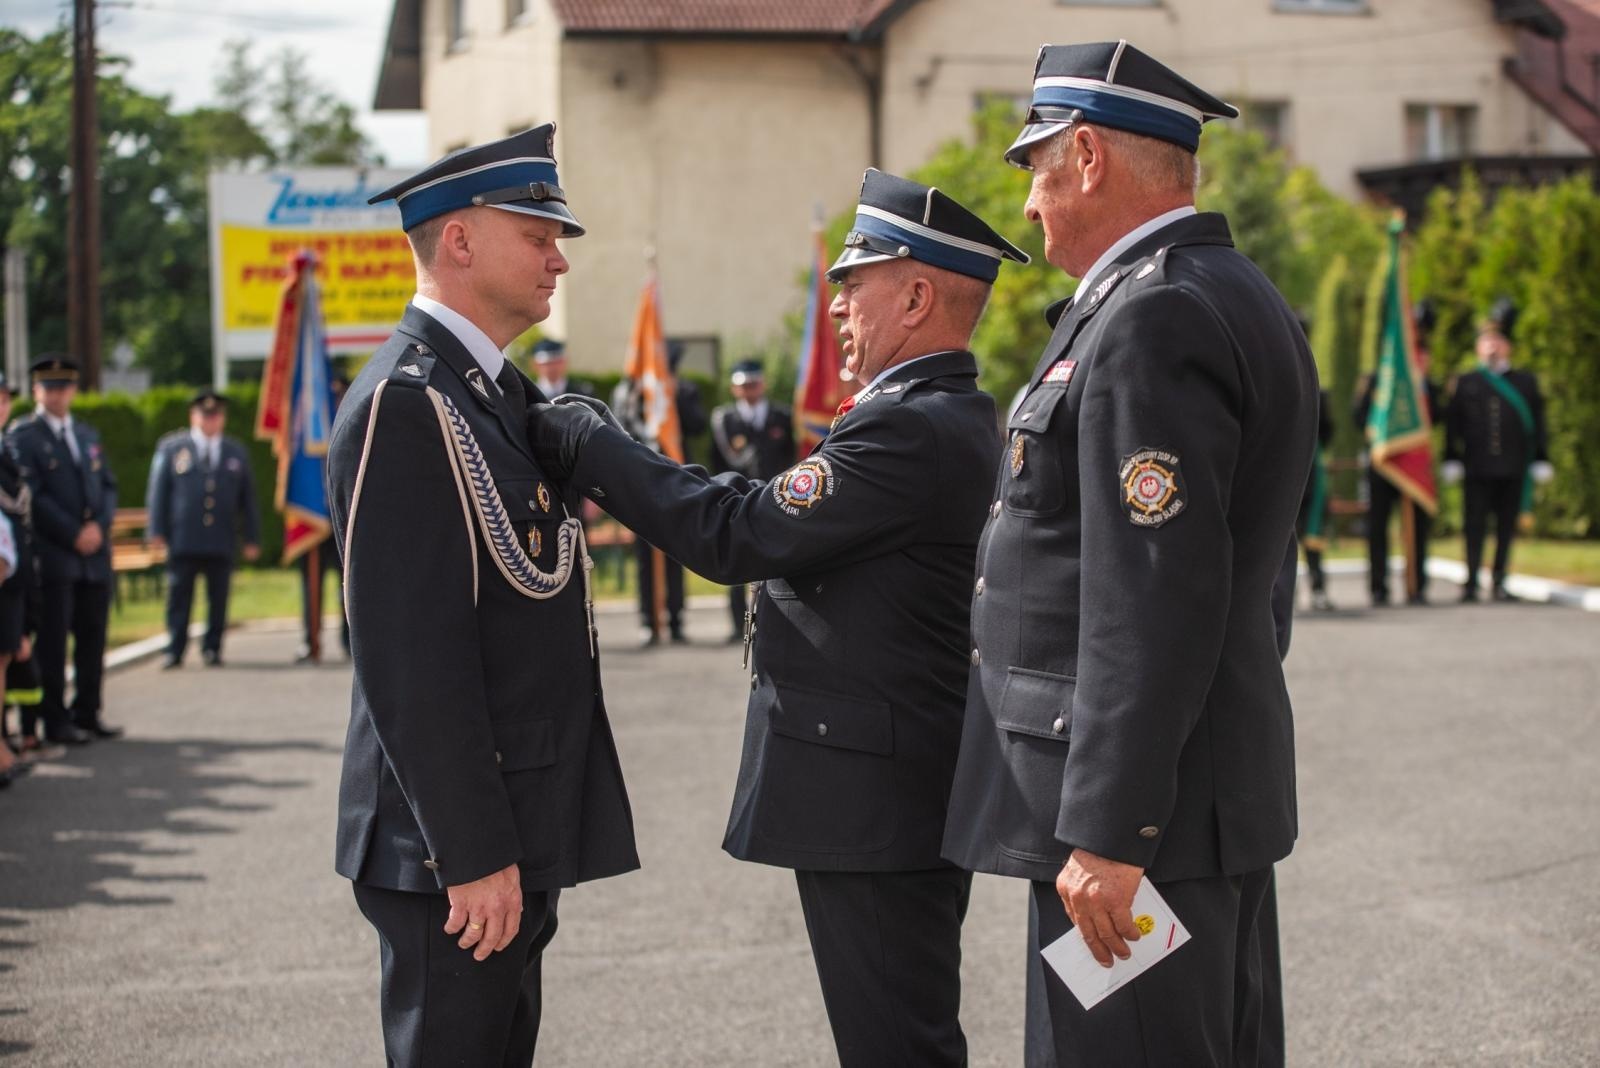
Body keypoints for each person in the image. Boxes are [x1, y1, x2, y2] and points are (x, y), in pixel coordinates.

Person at [534, 167, 1024, 1067]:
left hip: (876, 808)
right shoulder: (930, 415)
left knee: (896, 1047)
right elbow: (764, 509)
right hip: (886, 794)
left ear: (917, 297)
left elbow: (740, 534)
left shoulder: (910, 426)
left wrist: (594, 446)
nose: (835, 306)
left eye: (854, 283)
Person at [938, 42, 1318, 1067]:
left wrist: (1112, 829)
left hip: (1139, 835)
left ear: (1089, 155)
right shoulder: (1233, 292)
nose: (1029, 204)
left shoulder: (1151, 315)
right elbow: (1249, 575)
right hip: (1194, 805)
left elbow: (1151, 594)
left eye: (1037, 168)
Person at [327, 125, 639, 1067]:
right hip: (452, 857)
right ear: (458, 240)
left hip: (510, 828)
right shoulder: (408, 402)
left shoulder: (489, 395)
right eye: (537, 237)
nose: (558, 260)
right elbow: (410, 660)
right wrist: (467, 852)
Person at [4, 355, 119, 746]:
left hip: (94, 555)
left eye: (64, 387)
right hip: (56, 553)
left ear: (73, 390)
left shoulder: (86, 434)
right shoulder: (24, 436)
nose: (57, 395)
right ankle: (55, 720)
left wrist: (99, 525)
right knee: (53, 641)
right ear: (37, 391)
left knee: (92, 636)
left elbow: (107, 486)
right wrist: (73, 533)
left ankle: (88, 711)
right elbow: (31, 496)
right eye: (49, 388)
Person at [1443, 298, 1550, 603]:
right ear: (1478, 347)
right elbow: (1453, 424)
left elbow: (1538, 423)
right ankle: (1471, 582)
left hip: (1512, 467)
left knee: (1505, 527)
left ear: (1507, 346)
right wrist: (1451, 456)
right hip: (1476, 468)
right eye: (1486, 341)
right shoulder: (1466, 382)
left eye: (1498, 341)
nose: (1492, 347)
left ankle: (1500, 580)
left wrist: (1541, 457)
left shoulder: (1525, 382)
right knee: (1474, 525)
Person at [146, 390, 260, 668]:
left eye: (216, 415)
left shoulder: (235, 451)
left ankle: (212, 647)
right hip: (184, 538)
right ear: (193, 416)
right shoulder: (172, 448)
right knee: (179, 596)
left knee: (218, 597)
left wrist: (251, 537)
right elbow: (158, 493)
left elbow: (248, 500)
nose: (211, 420)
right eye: (205, 415)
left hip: (220, 538)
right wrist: (156, 530)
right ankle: (175, 648)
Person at [611, 341, 707, 645]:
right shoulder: (631, 392)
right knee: (645, 555)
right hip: (643, 481)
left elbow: (698, 425)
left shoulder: (684, 390)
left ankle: (676, 619)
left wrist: (673, 394)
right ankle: (648, 620)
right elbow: (619, 427)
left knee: (676, 552)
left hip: (676, 478)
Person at [1356, 299, 1447, 606]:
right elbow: (1359, 416)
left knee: (1418, 527)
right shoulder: (1377, 379)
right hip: (1383, 460)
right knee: (1377, 527)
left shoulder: (1424, 380)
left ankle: (1416, 585)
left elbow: (1438, 415)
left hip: (1414, 460)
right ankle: (1378, 587)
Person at [707, 358, 795, 642]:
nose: (749, 390)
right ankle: (738, 625)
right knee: (736, 561)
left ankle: (775, 624)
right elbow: (721, 461)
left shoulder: (782, 416)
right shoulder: (724, 419)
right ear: (734, 388)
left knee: (777, 564)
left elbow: (792, 456)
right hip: (739, 501)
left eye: (754, 383)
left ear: (763, 384)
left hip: (777, 500)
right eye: (744, 385)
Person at [297, 375, 349, 663]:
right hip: (314, 515)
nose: (334, 402)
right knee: (310, 584)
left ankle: (350, 642)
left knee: (349, 584)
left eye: (339, 396)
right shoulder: (308, 429)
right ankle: (310, 639)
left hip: (344, 518)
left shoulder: (355, 425)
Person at [1298, 389, 1335, 610]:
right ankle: (1282, 592)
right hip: (1283, 472)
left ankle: (1318, 588)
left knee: (1313, 537)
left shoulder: (1318, 393)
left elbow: (1327, 430)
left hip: (1311, 472)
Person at [527, 338, 594, 399]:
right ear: (535, 365)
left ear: (565, 362)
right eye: (547, 363)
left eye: (557, 362)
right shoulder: (528, 395)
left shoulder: (583, 393)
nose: (553, 367)